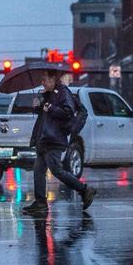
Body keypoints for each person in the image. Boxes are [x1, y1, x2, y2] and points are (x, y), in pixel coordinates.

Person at [21, 71, 97, 216]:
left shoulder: (63, 92)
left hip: (54, 138)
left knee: (56, 169)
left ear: (53, 79)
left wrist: (50, 108)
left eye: (44, 80)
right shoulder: (48, 94)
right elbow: (45, 114)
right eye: (41, 80)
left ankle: (85, 190)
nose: (42, 82)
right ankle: (41, 203)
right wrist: (38, 106)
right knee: (38, 170)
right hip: (43, 138)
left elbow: (68, 112)